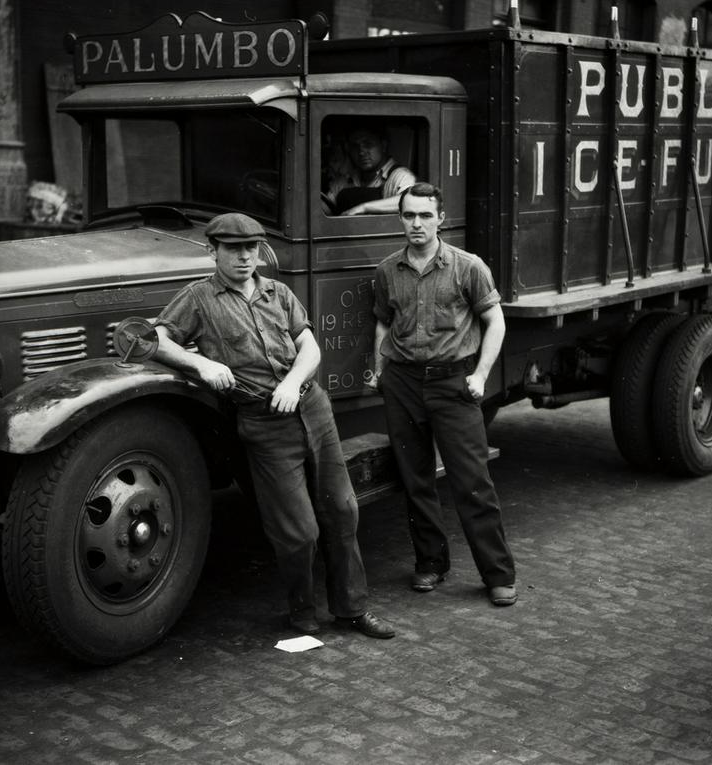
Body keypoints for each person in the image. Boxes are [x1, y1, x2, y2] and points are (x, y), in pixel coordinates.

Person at [151, 212, 395, 639]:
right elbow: (154, 339)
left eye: (251, 248)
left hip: (313, 409)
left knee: (343, 512)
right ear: (212, 251)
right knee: (298, 532)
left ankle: (352, 610)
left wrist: (292, 382)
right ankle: (302, 612)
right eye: (233, 249)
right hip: (264, 424)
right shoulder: (199, 298)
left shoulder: (278, 292)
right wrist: (200, 363)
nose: (244, 257)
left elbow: (310, 348)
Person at [368, 182, 517, 607]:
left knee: (472, 483)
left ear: (441, 220)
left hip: (454, 383)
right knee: (415, 482)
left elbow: (496, 321)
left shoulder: (468, 267)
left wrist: (481, 375)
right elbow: (383, 323)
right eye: (409, 215)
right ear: (400, 219)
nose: (416, 223)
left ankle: (498, 575)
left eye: (425, 215)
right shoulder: (387, 271)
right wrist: (379, 371)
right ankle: (431, 563)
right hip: (403, 384)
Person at [323, 123, 416, 216]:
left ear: (383, 145)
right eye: (355, 146)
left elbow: (411, 202)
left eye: (368, 144)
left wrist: (364, 208)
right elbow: (324, 210)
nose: (361, 152)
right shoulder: (344, 181)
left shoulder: (400, 176)